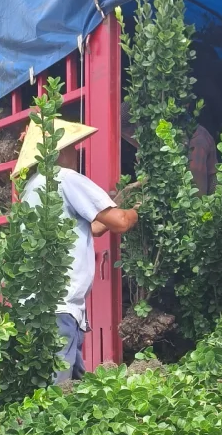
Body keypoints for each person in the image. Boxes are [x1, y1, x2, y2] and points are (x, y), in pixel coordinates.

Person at [17, 118, 138, 384]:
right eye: (73, 147)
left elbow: (91, 229)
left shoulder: (31, 187)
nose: (77, 153)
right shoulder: (65, 179)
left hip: (36, 308)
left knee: (72, 388)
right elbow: (121, 222)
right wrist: (136, 210)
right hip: (60, 309)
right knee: (58, 395)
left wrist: (110, 208)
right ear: (59, 152)